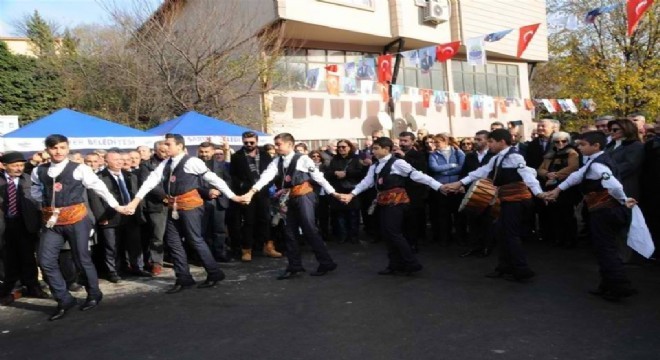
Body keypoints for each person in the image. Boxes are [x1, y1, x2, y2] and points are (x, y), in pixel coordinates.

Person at [126, 134, 242, 294]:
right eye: (165, 144)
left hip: (190, 206)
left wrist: (232, 196)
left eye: (168, 144)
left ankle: (214, 273)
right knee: (173, 242)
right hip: (174, 206)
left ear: (180, 146)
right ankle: (183, 278)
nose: (165, 147)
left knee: (195, 239)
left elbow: (214, 178)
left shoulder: (192, 162)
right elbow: (151, 181)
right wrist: (135, 201)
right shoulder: (166, 163)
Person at [32, 134, 131, 321]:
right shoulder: (40, 170)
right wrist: (47, 204)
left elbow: (99, 187)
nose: (58, 151)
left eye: (62, 147)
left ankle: (94, 293)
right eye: (54, 148)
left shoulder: (79, 168)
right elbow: (35, 190)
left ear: (67, 148)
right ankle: (64, 299)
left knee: (81, 258)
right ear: (47, 150)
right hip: (52, 222)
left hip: (76, 218)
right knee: (45, 261)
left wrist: (116, 205)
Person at [542, 131, 638, 301]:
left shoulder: (597, 165)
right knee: (603, 248)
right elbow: (575, 176)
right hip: (601, 210)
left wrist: (623, 200)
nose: (579, 147)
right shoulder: (593, 161)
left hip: (605, 211)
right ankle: (608, 284)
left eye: (583, 145)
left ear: (596, 146)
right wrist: (557, 190)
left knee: (606, 248)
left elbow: (614, 185)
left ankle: (618, 286)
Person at [442, 129, 543, 282]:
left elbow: (527, 174)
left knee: (511, 235)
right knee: (502, 233)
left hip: (516, 200)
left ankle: (522, 270)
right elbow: (482, 171)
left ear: (502, 142)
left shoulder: (514, 156)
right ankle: (505, 267)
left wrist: (539, 193)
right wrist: (459, 183)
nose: (488, 144)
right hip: (507, 200)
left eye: (491, 141)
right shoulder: (497, 158)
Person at [240, 133, 340, 280]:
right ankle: (294, 266)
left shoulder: (303, 159)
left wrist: (333, 193)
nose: (276, 147)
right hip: (290, 197)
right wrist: (252, 192)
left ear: (290, 145)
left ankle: (326, 262)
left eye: (279, 144)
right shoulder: (277, 161)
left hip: (304, 196)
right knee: (290, 232)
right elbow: (266, 176)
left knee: (309, 229)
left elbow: (318, 177)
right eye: (276, 144)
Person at [339, 137, 443, 275]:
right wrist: (351, 194)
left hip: (397, 203)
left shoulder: (398, 163)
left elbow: (417, 175)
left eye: (376, 148)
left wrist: (439, 186)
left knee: (394, 233)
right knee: (387, 234)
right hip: (384, 202)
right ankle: (395, 264)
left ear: (386, 149)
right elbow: (366, 182)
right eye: (373, 148)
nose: (372, 151)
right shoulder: (375, 166)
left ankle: (412, 263)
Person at [88, 150, 150, 283]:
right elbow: (95, 199)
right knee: (111, 246)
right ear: (106, 162)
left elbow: (137, 195)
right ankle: (113, 271)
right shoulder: (98, 177)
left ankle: (137, 267)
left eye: (120, 159)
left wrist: (137, 210)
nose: (119, 162)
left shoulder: (130, 175)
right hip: (110, 216)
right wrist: (101, 216)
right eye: (115, 160)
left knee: (134, 243)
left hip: (131, 215)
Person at [0, 152, 49, 306]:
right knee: (8, 259)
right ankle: (12, 288)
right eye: (14, 165)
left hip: (25, 224)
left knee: (28, 257)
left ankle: (33, 286)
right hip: (4, 225)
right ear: (4, 166)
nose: (18, 168)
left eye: (21, 165)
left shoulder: (28, 180)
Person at [229, 131, 279, 262]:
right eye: (246, 142)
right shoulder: (237, 156)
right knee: (248, 221)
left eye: (252, 142)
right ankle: (247, 249)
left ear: (257, 141)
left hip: (263, 192)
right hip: (246, 193)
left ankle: (268, 246)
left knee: (265, 219)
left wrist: (268, 186)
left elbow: (273, 173)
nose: (249, 144)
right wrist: (241, 185)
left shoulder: (265, 154)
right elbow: (232, 176)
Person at [537, 132, 580, 247]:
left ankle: (570, 239)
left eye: (564, 141)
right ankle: (558, 237)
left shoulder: (572, 153)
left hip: (566, 187)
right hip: (551, 186)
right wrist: (547, 174)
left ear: (568, 141)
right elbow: (540, 169)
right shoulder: (550, 154)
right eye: (557, 141)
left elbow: (573, 167)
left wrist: (555, 175)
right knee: (554, 213)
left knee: (567, 213)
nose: (560, 144)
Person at [459, 130, 495, 258]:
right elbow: (464, 172)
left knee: (487, 221)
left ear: (487, 140)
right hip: (472, 191)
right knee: (472, 220)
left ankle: (487, 247)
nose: (476, 142)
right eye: (476, 139)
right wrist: (461, 185)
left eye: (479, 139)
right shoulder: (470, 156)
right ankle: (474, 246)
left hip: (488, 192)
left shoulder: (493, 156)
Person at [197, 142, 233, 263]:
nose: (204, 154)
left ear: (213, 152)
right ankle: (204, 256)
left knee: (219, 229)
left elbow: (228, 181)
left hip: (219, 201)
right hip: (200, 201)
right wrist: (207, 192)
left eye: (207, 152)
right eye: (202, 152)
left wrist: (218, 191)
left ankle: (219, 253)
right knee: (202, 230)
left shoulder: (221, 165)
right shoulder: (192, 165)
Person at [137, 140, 169, 276]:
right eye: (162, 151)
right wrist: (164, 196)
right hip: (157, 204)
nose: (165, 153)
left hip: (176, 202)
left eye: (167, 150)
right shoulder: (147, 165)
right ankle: (156, 263)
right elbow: (148, 184)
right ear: (155, 151)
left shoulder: (173, 163)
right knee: (157, 235)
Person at [428, 133, 465, 246]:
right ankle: (446, 238)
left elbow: (462, 167)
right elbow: (434, 168)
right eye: (434, 142)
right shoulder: (433, 155)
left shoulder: (458, 152)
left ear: (445, 141)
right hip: (442, 187)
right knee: (444, 215)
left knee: (458, 214)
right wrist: (452, 165)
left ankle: (461, 237)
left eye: (437, 142)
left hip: (457, 187)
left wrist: (444, 171)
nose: (435, 144)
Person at [395, 132, 429, 252]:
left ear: (412, 142)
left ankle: (414, 243)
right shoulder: (395, 155)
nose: (402, 143)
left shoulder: (419, 154)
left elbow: (420, 170)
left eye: (405, 141)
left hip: (415, 191)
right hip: (400, 189)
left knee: (413, 218)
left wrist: (404, 157)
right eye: (401, 140)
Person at [325, 140, 363, 244]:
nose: (341, 149)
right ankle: (343, 236)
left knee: (353, 215)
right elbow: (327, 173)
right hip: (338, 190)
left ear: (349, 147)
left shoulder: (355, 159)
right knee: (340, 215)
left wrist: (346, 173)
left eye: (344, 147)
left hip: (352, 190)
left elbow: (361, 173)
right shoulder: (334, 159)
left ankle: (354, 237)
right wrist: (335, 173)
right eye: (339, 147)